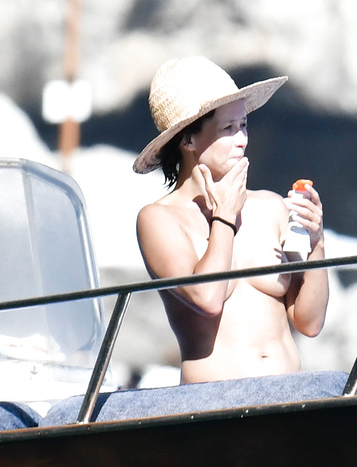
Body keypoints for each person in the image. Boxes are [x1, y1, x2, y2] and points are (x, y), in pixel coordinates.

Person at [134, 57, 328, 384]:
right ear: (187, 139)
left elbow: (309, 323)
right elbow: (208, 298)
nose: (242, 140)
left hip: (287, 393)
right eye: (228, 128)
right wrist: (223, 218)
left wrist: (317, 243)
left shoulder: (270, 206)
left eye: (244, 125)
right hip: (214, 401)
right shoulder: (158, 219)